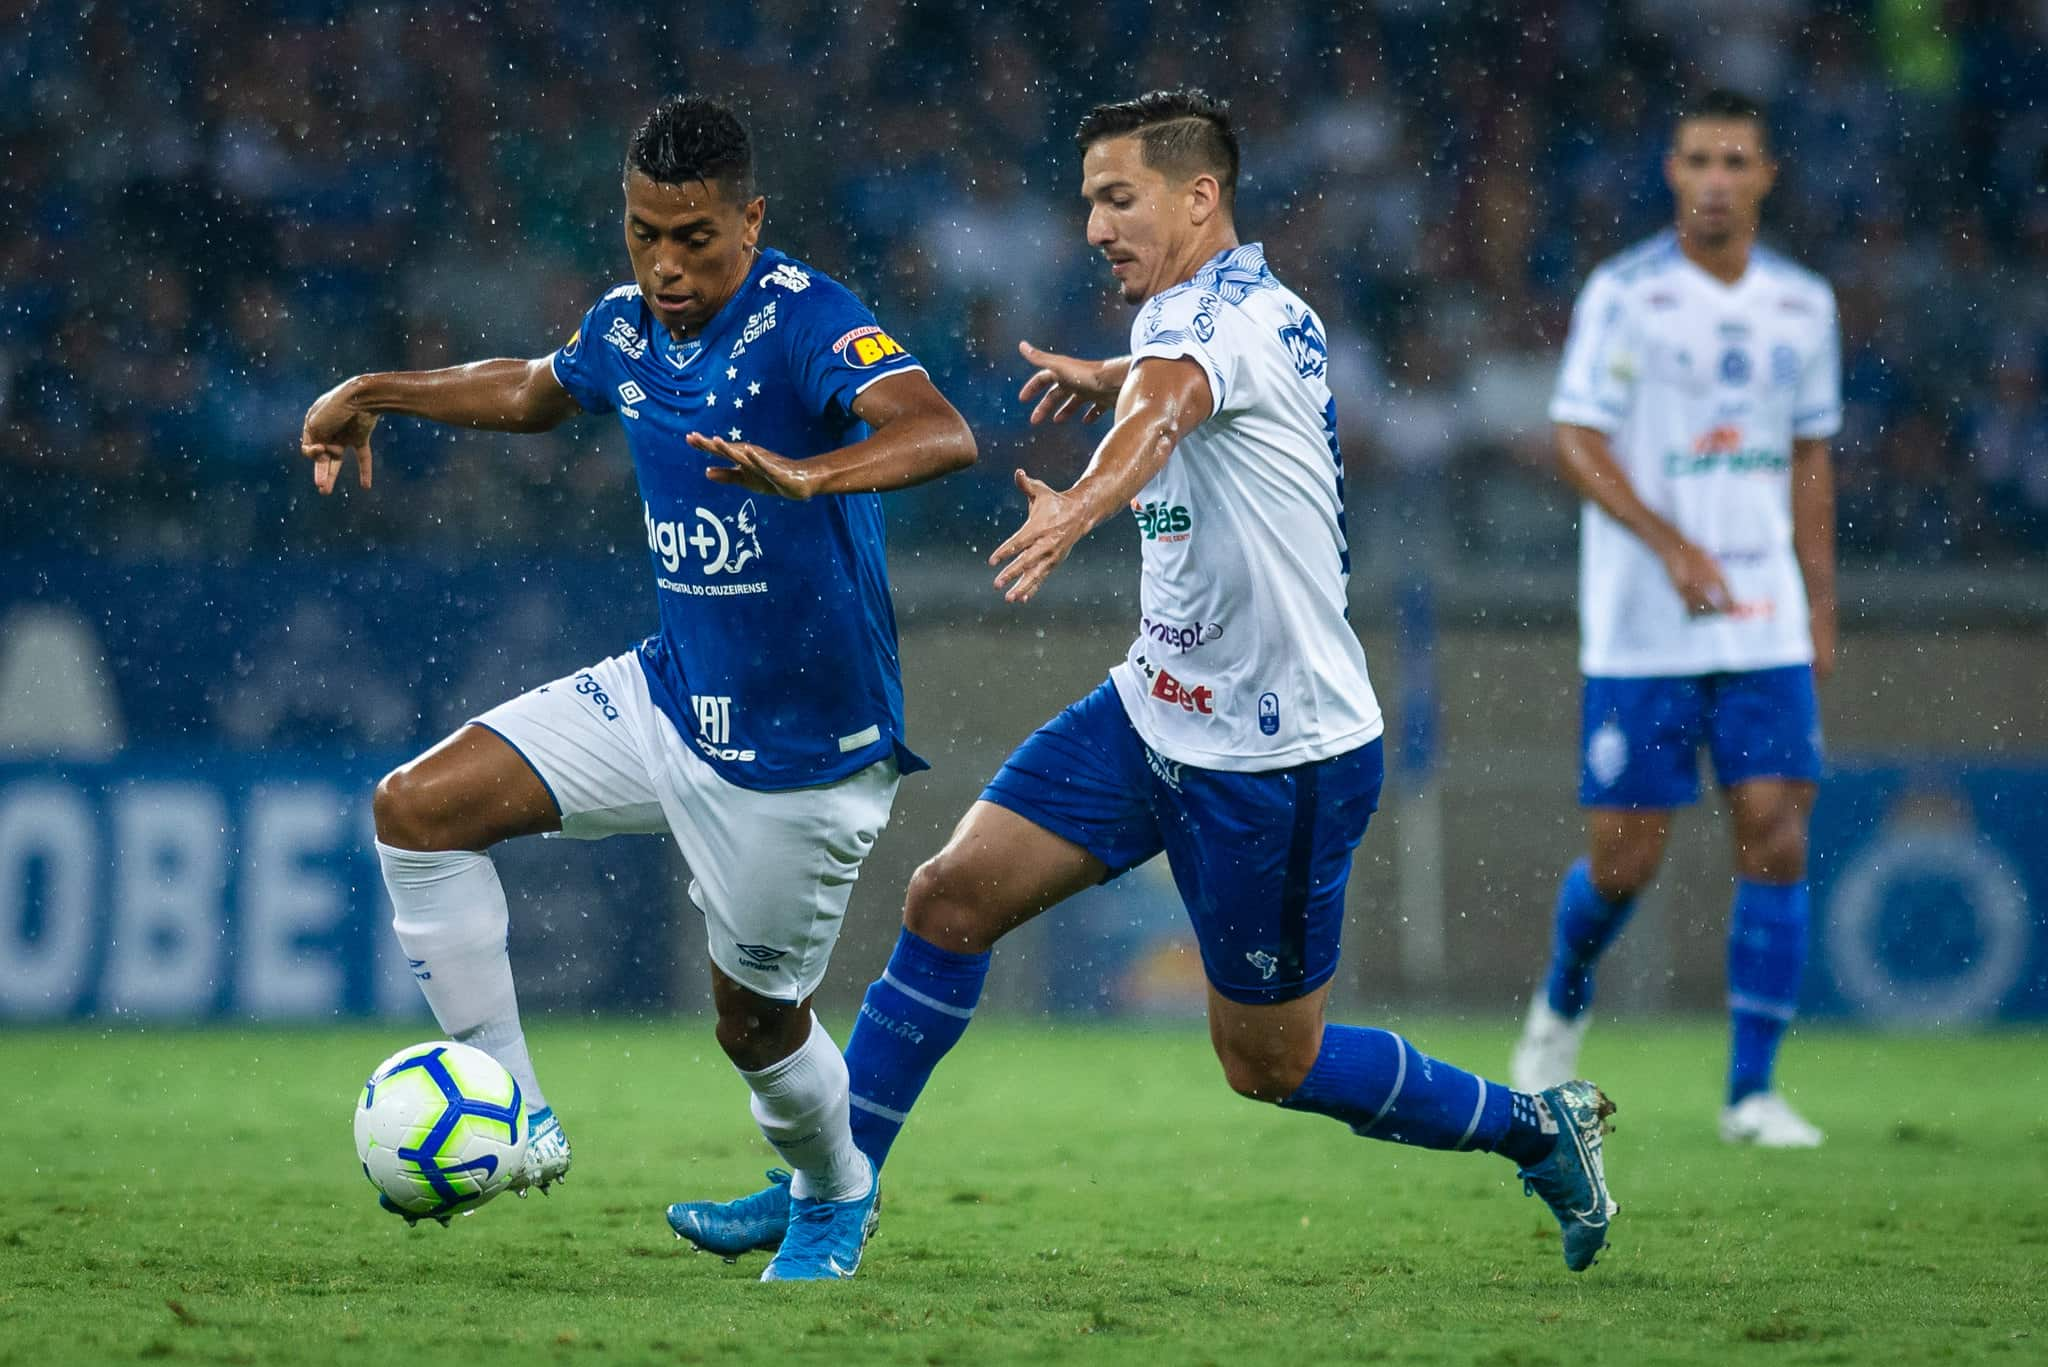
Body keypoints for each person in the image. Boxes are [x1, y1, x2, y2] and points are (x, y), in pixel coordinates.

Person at [668, 88, 1618, 1275]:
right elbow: (1179, 377)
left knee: (1268, 1061)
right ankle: (832, 1191)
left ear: (1198, 196)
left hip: (1278, 756)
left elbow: (1169, 408)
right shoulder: (1245, 307)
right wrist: (1117, 368)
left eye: (1118, 199)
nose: (1092, 226)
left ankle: (1538, 1125)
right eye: (1086, 203)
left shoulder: (1200, 332)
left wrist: (1077, 500)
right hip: (1154, 706)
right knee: (948, 897)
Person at [297, 95, 976, 1278]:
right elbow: (529, 389)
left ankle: (831, 1193)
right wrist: (374, 390)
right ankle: (515, 1112)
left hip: (801, 752)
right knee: (415, 809)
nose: (665, 265)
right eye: (643, 233)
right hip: (667, 693)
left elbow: (939, 429)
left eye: (694, 238)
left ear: (750, 219)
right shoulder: (624, 328)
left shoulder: (804, 318)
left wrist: (813, 477)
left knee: (753, 1026)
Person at [1509, 89, 1840, 1149]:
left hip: (1760, 619)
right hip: (1641, 620)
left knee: (1775, 831)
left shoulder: (1803, 305)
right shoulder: (1625, 294)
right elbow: (1574, 437)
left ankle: (1749, 1091)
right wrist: (1669, 543)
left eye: (1733, 160)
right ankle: (1562, 995)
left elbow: (1807, 458)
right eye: (1695, 158)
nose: (1713, 178)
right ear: (1669, 171)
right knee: (1623, 859)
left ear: (1764, 176)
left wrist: (1816, 604)